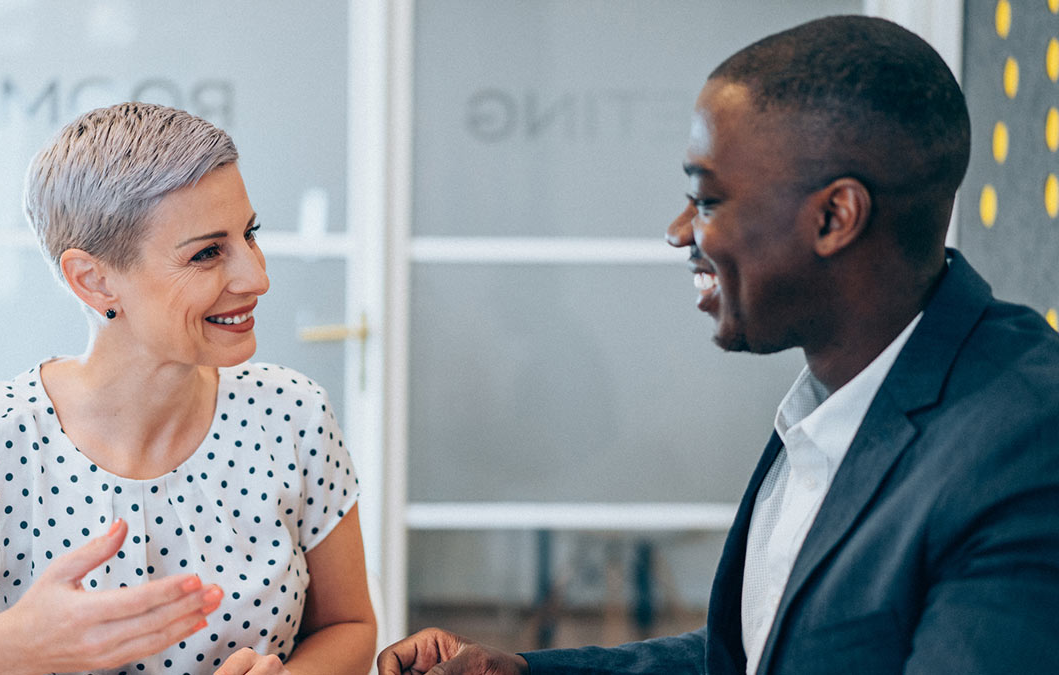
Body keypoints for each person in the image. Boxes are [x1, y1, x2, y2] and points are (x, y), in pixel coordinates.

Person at [378, 15, 1059, 675]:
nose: (679, 232)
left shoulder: (1024, 445)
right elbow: (753, 653)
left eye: (706, 201)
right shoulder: (835, 393)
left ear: (834, 217)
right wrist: (524, 672)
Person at [0, 103, 377, 674]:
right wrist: (7, 647)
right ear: (95, 279)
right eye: (207, 253)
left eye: (249, 234)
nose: (257, 276)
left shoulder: (292, 414)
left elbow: (348, 627)